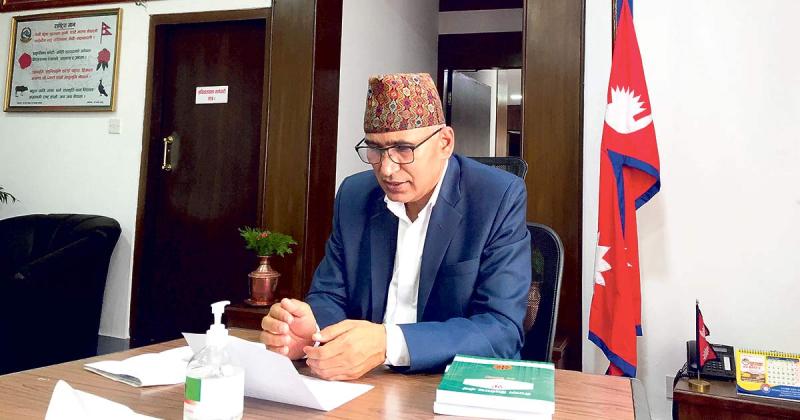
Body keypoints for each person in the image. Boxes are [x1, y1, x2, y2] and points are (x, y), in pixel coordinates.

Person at [260, 73, 531, 380]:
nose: (387, 169)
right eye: (375, 150)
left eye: (403, 149)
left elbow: (501, 330)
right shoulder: (355, 196)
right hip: (366, 383)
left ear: (445, 143)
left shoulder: (496, 197)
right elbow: (329, 295)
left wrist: (388, 343)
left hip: (449, 382)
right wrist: (315, 331)